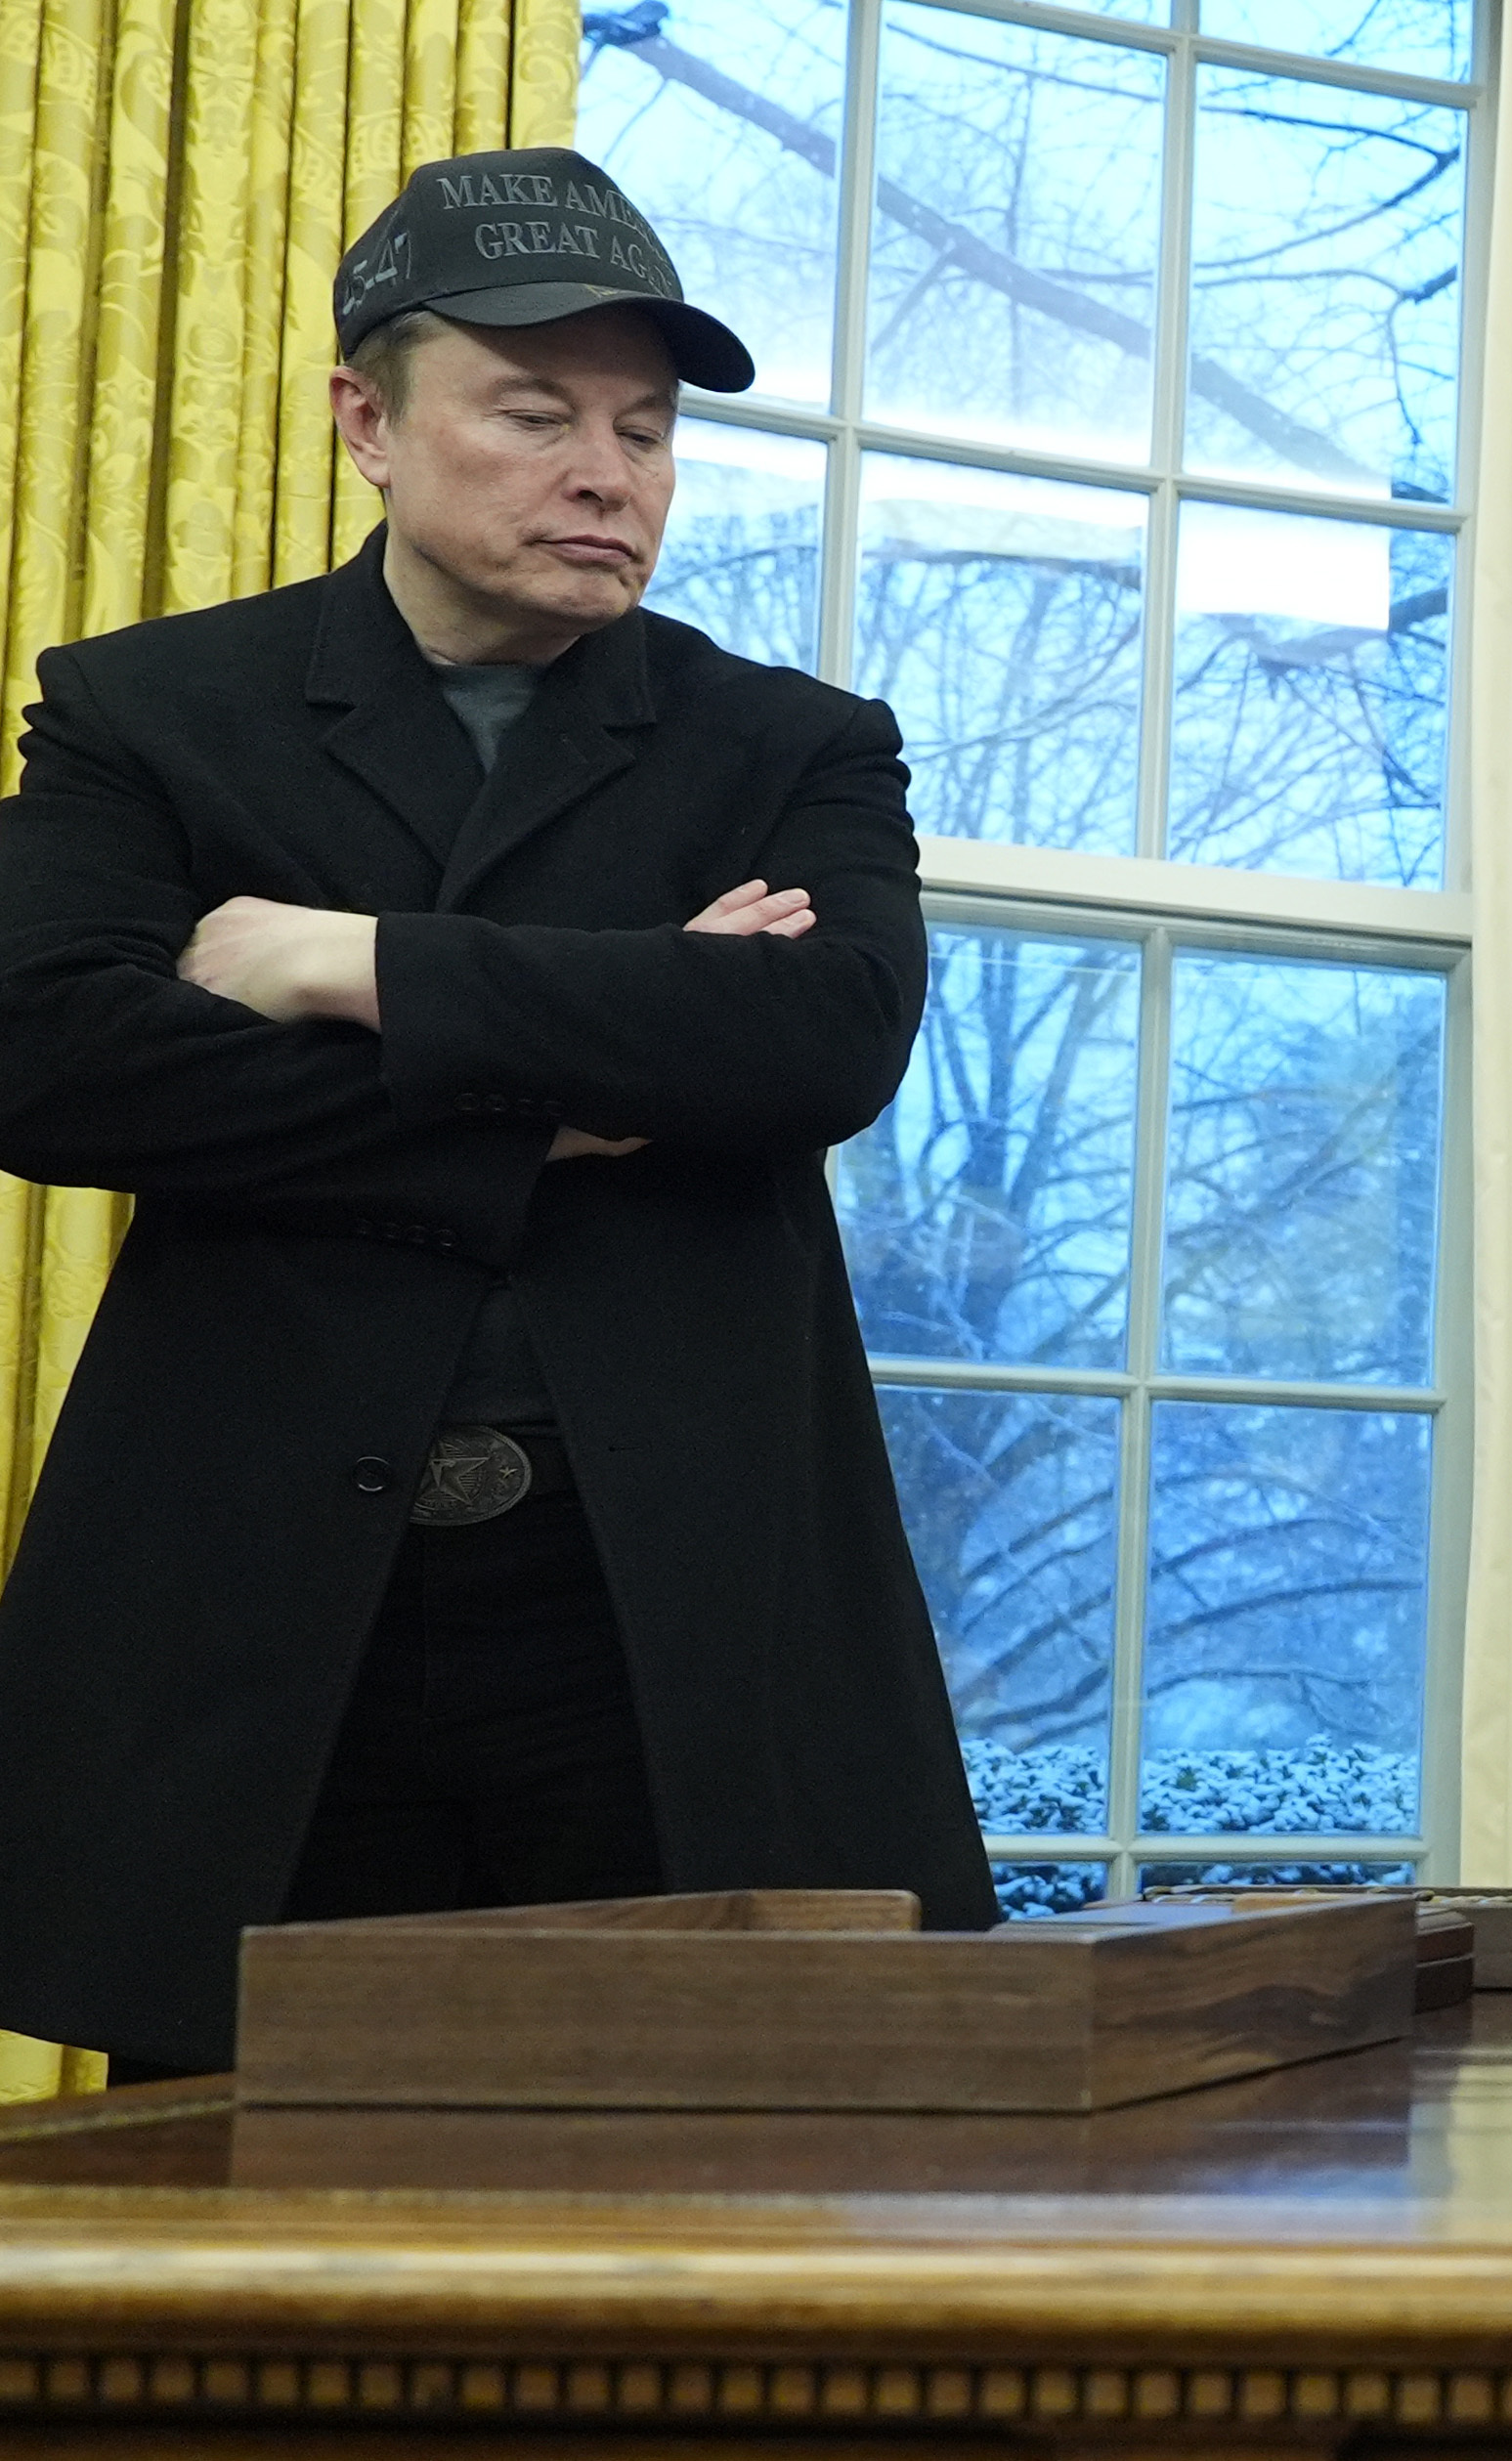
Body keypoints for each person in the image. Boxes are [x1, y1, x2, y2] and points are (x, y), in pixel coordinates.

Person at [0, 149, 993, 2075]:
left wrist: (347, 958)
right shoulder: (149, 710)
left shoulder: (789, 741)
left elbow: (820, 1041)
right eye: (536, 413)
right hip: (265, 1608)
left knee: (695, 2197)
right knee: (234, 2216)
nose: (607, 471)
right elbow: (47, 1055)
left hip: (665, 1605)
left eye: (644, 426)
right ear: (369, 421)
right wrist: (559, 1092)